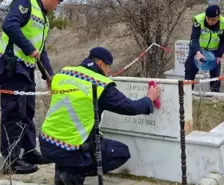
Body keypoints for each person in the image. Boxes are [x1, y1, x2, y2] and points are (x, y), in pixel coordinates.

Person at [38, 47, 161, 185]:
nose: (109, 72)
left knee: (70, 145)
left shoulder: (63, 73)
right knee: (121, 152)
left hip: (47, 143)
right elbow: (130, 107)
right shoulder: (100, 84)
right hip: (72, 148)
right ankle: (74, 173)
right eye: (108, 67)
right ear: (101, 64)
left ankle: (63, 174)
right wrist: (149, 98)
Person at [0, 0, 62, 174]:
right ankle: (12, 160)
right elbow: (9, 24)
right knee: (14, 112)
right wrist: (28, 48)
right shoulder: (26, 3)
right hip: (12, 66)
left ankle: (29, 152)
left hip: (26, 69)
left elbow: (41, 49)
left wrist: (48, 76)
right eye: (58, 2)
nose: (57, 6)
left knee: (28, 112)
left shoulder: (43, 18)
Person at [184, 4, 224, 92]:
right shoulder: (198, 20)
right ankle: (187, 93)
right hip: (198, 48)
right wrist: (198, 52)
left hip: (214, 50)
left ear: (218, 17)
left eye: (213, 19)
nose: (210, 21)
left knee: (215, 75)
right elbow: (194, 38)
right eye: (208, 18)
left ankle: (215, 94)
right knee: (190, 70)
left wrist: (219, 55)